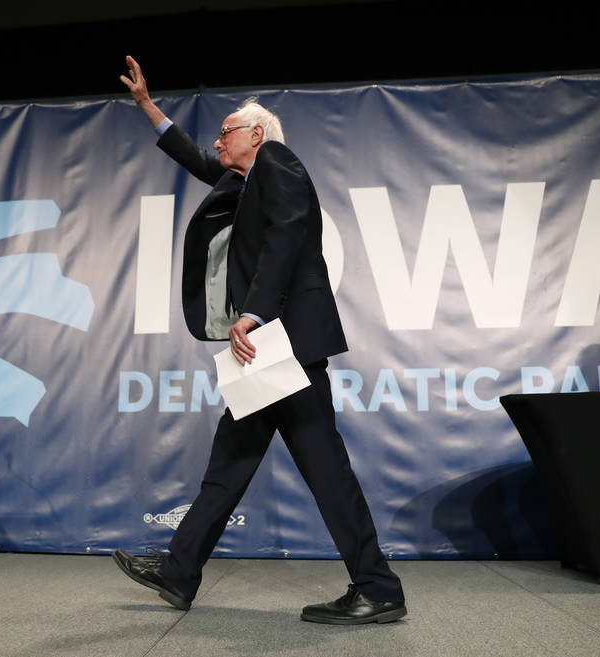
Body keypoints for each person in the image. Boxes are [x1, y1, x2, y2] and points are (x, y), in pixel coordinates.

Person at [113, 55, 405, 625]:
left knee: (325, 471)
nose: (218, 142)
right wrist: (150, 109)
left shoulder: (278, 159)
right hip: (267, 351)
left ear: (256, 135)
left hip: (283, 344)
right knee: (232, 461)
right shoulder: (244, 179)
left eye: (226, 132)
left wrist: (253, 311)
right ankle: (179, 572)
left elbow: (288, 236)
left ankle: (379, 588)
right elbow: (198, 160)